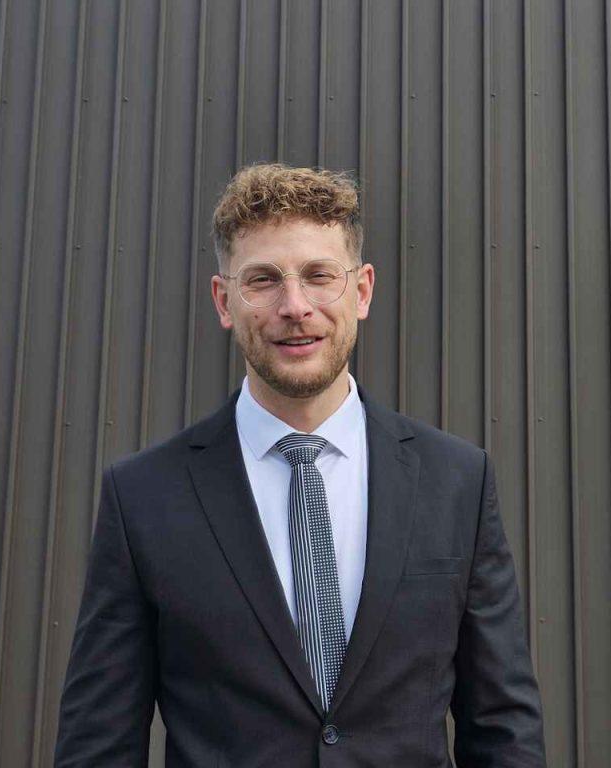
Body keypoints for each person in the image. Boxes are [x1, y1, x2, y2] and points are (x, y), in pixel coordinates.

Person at [54, 163, 546, 767]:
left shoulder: (456, 482)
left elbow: (503, 729)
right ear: (224, 300)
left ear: (361, 291)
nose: (295, 306)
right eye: (263, 280)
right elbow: (98, 745)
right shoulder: (144, 498)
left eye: (319, 276)